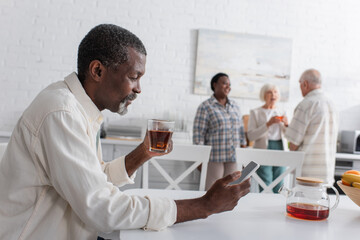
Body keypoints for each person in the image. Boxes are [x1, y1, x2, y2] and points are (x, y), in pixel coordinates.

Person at [0, 24, 250, 240]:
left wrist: (143, 154)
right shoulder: (61, 113)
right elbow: (101, 209)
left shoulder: (78, 110)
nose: (139, 89)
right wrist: (204, 205)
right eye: (134, 76)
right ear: (97, 71)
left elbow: (94, 179)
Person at [193, 73, 247, 190]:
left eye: (229, 84)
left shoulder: (235, 106)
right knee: (212, 192)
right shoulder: (205, 107)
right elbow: (198, 135)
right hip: (214, 158)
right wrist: (200, 159)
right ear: (215, 84)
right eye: (224, 83)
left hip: (234, 158)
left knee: (232, 191)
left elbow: (241, 131)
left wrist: (244, 154)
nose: (228, 86)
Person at [285, 69, 338, 185]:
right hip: (325, 171)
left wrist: (285, 129)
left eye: (300, 83)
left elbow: (293, 142)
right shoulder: (331, 103)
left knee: (301, 203)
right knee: (319, 203)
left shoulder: (306, 104)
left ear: (305, 84)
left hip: (306, 172)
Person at [247, 84, 288, 193]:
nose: (273, 95)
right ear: (264, 95)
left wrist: (287, 125)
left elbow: (289, 135)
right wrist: (268, 124)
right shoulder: (255, 112)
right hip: (263, 148)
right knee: (266, 183)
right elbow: (251, 136)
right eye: (269, 92)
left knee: (279, 184)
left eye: (275, 92)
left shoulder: (282, 112)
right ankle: (264, 207)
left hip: (280, 148)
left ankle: (274, 207)